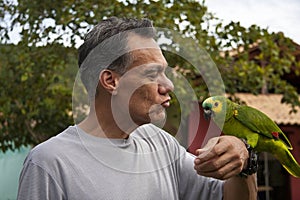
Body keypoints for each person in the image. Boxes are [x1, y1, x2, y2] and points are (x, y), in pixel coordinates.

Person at [17, 17, 257, 200]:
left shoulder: (162, 144)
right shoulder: (49, 163)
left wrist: (244, 159)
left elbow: (230, 196)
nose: (169, 85)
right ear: (111, 81)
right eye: (153, 73)